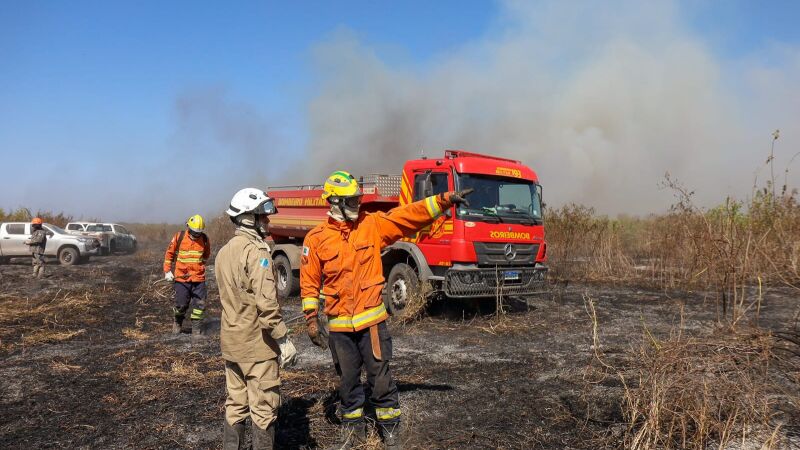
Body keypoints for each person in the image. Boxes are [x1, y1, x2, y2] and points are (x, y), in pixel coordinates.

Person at [300, 171, 472, 449]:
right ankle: (352, 429)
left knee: (380, 378)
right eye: (352, 200)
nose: (358, 205)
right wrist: (311, 319)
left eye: (358, 199)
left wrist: (444, 200)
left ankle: (390, 430)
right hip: (341, 328)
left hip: (372, 324)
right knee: (348, 382)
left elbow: (407, 216)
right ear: (334, 201)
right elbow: (309, 283)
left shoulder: (372, 225)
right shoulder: (316, 239)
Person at [215, 187, 298, 450]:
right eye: (263, 216)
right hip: (257, 347)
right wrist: (283, 339)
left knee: (235, 405)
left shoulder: (223, 252)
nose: (267, 221)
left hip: (232, 344)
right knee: (264, 409)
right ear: (249, 218)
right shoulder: (257, 252)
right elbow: (267, 305)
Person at [163, 214, 211, 339]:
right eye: (194, 232)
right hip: (181, 279)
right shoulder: (179, 237)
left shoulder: (204, 239)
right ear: (188, 227)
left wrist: (198, 267)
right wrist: (167, 271)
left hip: (198, 279)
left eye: (198, 233)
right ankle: (177, 322)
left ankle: (196, 329)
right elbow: (169, 255)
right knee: (181, 304)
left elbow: (205, 256)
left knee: (200, 305)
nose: (196, 235)